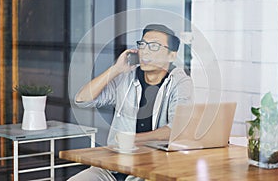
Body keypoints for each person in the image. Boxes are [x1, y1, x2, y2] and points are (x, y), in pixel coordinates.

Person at [68, 24, 194, 181]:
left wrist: (134, 139)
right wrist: (115, 69)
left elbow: (177, 129)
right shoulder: (126, 77)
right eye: (142, 44)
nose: (145, 51)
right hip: (112, 167)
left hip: (151, 169)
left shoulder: (180, 82)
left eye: (154, 46)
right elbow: (82, 100)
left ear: (172, 55)